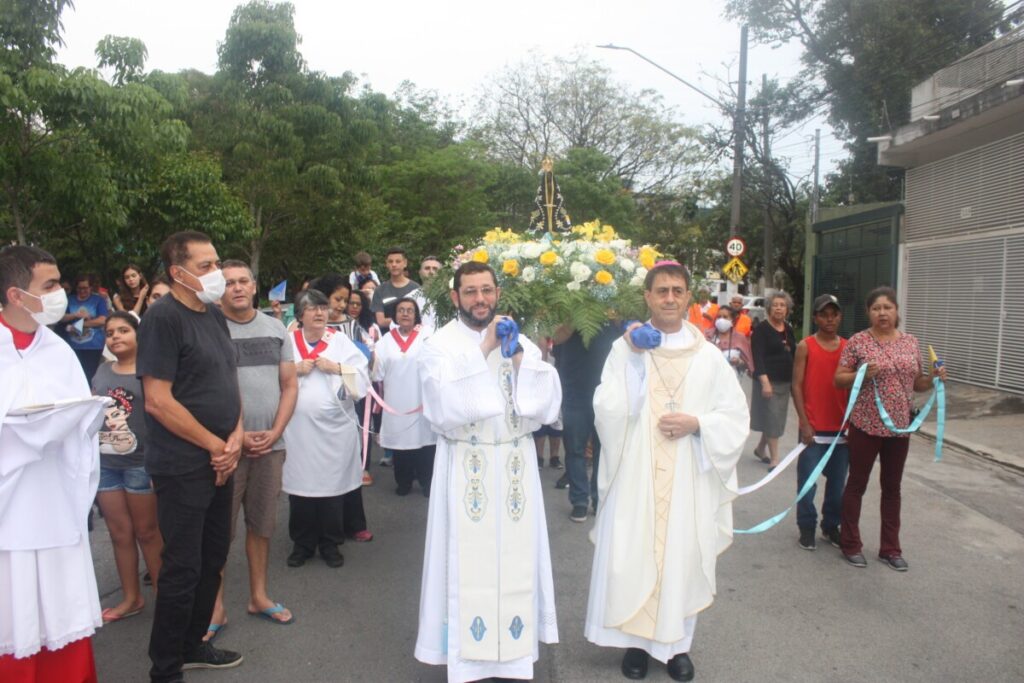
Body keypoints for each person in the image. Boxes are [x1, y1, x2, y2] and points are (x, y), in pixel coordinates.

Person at [585, 261, 749, 683]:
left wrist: (698, 425)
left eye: (678, 290)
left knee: (681, 555)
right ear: (648, 297)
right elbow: (606, 407)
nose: (670, 298)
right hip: (637, 471)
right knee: (635, 552)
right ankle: (637, 647)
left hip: (688, 476)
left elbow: (734, 416)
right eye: (662, 291)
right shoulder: (626, 348)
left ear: (689, 297)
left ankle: (677, 648)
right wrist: (637, 364)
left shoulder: (710, 358)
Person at [415, 261, 562, 683]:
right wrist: (483, 351)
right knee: (463, 564)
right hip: (466, 464)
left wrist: (517, 358)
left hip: (514, 466)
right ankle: (467, 664)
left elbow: (546, 404)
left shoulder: (519, 339)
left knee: (517, 562)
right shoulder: (439, 343)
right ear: (456, 296)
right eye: (471, 291)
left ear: (497, 292)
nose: (480, 299)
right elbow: (441, 408)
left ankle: (514, 660)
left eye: (487, 290)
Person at [137, 231, 245, 681]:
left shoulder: (214, 316)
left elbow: (226, 382)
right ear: (177, 273)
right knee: (181, 567)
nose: (216, 273)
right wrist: (214, 445)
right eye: (205, 266)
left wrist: (235, 436)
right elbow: (157, 400)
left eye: (216, 263)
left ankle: (193, 643)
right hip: (184, 466)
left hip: (222, 458)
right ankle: (165, 667)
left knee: (213, 557)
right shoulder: (163, 318)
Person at [0, 245, 108, 682]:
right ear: (15, 294)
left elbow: (80, 427)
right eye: (50, 285)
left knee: (63, 610)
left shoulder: (59, 350)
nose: (61, 292)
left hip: (56, 502)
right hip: (9, 510)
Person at [206, 261, 299, 639]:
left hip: (270, 446)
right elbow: (203, 392)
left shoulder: (277, 328)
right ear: (218, 289)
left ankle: (259, 596)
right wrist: (238, 434)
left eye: (243, 281)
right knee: (217, 531)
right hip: (226, 448)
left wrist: (275, 430)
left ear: (255, 285)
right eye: (228, 283)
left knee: (262, 524)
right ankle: (214, 606)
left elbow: (290, 385)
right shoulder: (208, 329)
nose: (237, 288)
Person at [834, 286, 946, 571]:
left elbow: (916, 383)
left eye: (887, 307)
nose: (882, 313)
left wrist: (933, 378)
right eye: (876, 308)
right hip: (865, 425)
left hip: (899, 429)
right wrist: (861, 373)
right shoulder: (859, 342)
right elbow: (839, 378)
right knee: (856, 484)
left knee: (892, 489)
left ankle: (890, 548)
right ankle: (850, 544)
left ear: (896, 311)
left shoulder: (911, 342)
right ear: (868, 313)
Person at [282, 289, 371, 569]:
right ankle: (303, 543)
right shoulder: (287, 342)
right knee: (301, 489)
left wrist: (338, 367)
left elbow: (362, 377)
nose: (320, 313)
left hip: (334, 430)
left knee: (332, 488)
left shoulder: (340, 341)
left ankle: (330, 543)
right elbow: (271, 373)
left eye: (322, 307)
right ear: (300, 314)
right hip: (298, 431)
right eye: (312, 308)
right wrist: (294, 369)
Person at [93, 312, 164, 623]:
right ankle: (131, 598)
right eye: (110, 332)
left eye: (123, 330)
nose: (116, 336)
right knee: (119, 533)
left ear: (139, 335)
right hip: (106, 465)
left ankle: (166, 599)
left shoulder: (150, 372)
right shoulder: (101, 372)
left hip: (141, 464)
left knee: (149, 533)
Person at [791, 294, 850, 551]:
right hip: (813, 428)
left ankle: (830, 526)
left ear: (840, 317)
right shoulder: (806, 346)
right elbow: (796, 384)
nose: (830, 319)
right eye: (824, 314)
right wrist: (804, 422)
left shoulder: (849, 347)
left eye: (834, 314)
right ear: (815, 317)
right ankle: (806, 526)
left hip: (841, 431)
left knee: (837, 486)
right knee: (808, 482)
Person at [551, 322, 619, 521]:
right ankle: (580, 501)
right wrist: (573, 317)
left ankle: (599, 500)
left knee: (603, 450)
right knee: (574, 447)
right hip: (575, 388)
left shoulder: (615, 303)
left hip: (607, 389)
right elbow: (556, 337)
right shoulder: (572, 303)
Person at [372, 297, 435, 496]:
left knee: (426, 443)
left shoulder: (428, 335)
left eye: (410, 310)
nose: (405, 314)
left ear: (416, 315)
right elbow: (377, 374)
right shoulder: (385, 341)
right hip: (396, 402)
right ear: (395, 315)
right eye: (401, 310)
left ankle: (428, 482)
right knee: (401, 445)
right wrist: (371, 359)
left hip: (423, 400)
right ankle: (404, 482)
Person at [750, 291, 796, 469]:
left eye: (782, 305)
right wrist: (765, 382)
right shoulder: (761, 330)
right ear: (769, 308)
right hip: (768, 381)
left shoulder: (788, 329)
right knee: (774, 418)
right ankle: (775, 458)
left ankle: (761, 449)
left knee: (773, 418)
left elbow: (793, 352)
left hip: (785, 382)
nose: (779, 308)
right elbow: (758, 358)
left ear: (787, 309)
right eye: (775, 305)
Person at [61, 273, 109, 380]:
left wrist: (79, 325)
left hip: (94, 346)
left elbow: (103, 320)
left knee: (91, 377)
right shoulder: (69, 300)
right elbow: (61, 318)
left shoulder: (98, 300)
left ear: (91, 287)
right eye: (79, 288)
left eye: (85, 288)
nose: (82, 291)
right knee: (74, 377)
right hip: (73, 346)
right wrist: (75, 315)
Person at [371, 248, 420, 329]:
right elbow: (381, 321)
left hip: (412, 337)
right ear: (386, 264)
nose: (394, 265)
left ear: (405, 263)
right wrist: (404, 320)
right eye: (390, 261)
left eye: (398, 261)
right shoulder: (379, 290)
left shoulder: (416, 288)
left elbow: (419, 317)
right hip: (388, 337)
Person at [704, 306, 753, 376]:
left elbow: (747, 363)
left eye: (725, 317)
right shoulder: (707, 336)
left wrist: (739, 362)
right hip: (710, 377)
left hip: (731, 379)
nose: (721, 319)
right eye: (719, 317)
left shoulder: (740, 338)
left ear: (732, 321)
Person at [412, 255, 442, 333]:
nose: (431, 272)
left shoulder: (451, 297)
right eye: (427, 268)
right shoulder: (410, 298)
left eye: (435, 269)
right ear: (420, 273)